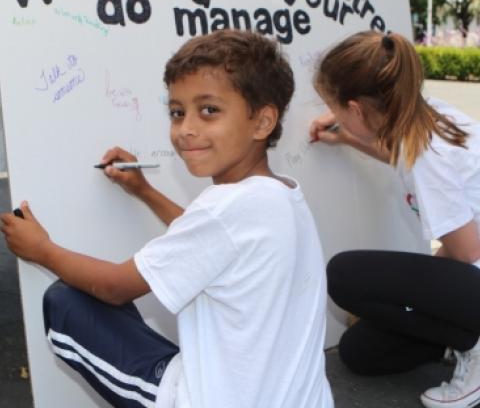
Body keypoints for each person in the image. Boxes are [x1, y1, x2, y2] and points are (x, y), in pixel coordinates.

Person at [1, 29, 333, 408]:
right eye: (177, 112)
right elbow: (211, 240)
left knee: (67, 301)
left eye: (209, 110)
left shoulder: (224, 210)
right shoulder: (280, 193)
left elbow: (114, 286)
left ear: (262, 122)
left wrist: (42, 249)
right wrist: (144, 191)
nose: (186, 128)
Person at [309, 29, 480, 408]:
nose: (333, 116)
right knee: (360, 352)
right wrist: (348, 139)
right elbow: (403, 160)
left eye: (335, 109)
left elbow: (467, 251)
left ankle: (473, 342)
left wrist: (424, 298)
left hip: (475, 269)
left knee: (343, 274)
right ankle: (457, 336)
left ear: (355, 109)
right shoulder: (422, 116)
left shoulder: (430, 157)